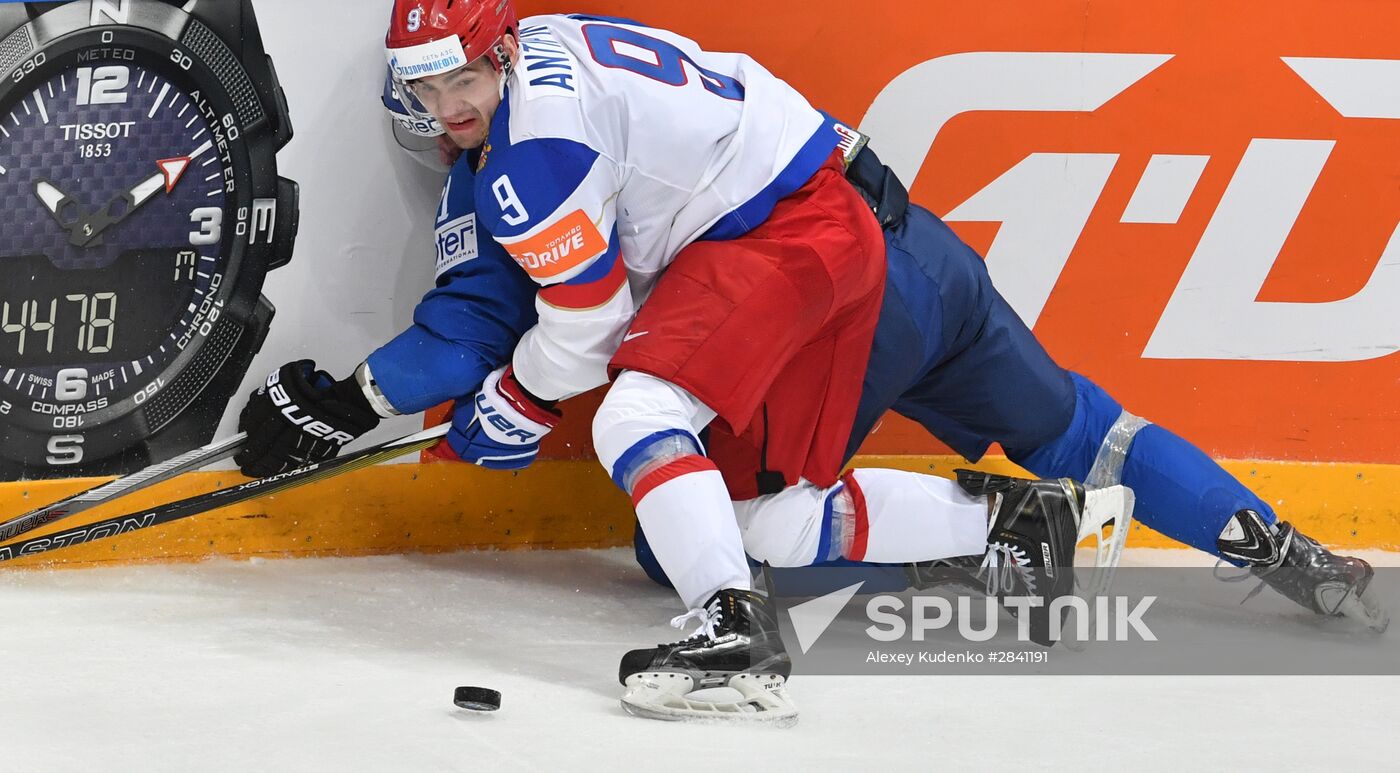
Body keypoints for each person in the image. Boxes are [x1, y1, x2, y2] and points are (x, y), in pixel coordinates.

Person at [234, 2, 1383, 725]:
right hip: (905, 237)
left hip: (815, 271)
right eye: (424, 88)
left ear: (496, 56)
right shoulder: (564, 47)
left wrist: (485, 400)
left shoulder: (522, 157)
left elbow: (554, 330)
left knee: (681, 503)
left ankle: (764, 615)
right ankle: (1276, 549)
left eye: (456, 83)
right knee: (1079, 429)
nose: (442, 107)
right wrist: (395, 396)